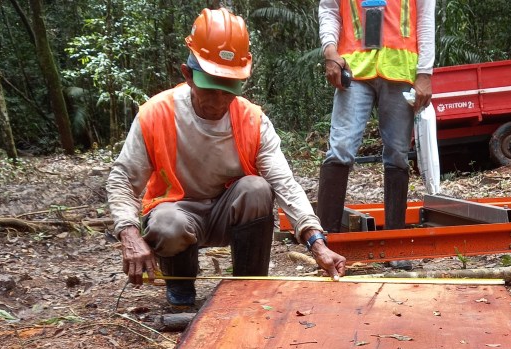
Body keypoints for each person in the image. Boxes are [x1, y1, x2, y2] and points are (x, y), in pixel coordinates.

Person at [107, 7, 346, 307]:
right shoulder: (157, 114)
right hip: (177, 212)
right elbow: (122, 179)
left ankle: (248, 288)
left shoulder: (252, 120)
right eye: (211, 88)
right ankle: (181, 289)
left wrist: (316, 242)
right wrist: (129, 233)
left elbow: (284, 183)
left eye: (228, 89)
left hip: (228, 212)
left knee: (257, 188)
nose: (219, 100)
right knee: (167, 223)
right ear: (188, 75)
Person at [315, 0, 435, 252]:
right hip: (354, 70)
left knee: (398, 155)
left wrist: (425, 72)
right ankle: (325, 245)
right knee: (340, 149)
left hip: (399, 70)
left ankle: (394, 244)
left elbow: (425, 17)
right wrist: (330, 51)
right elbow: (329, 9)